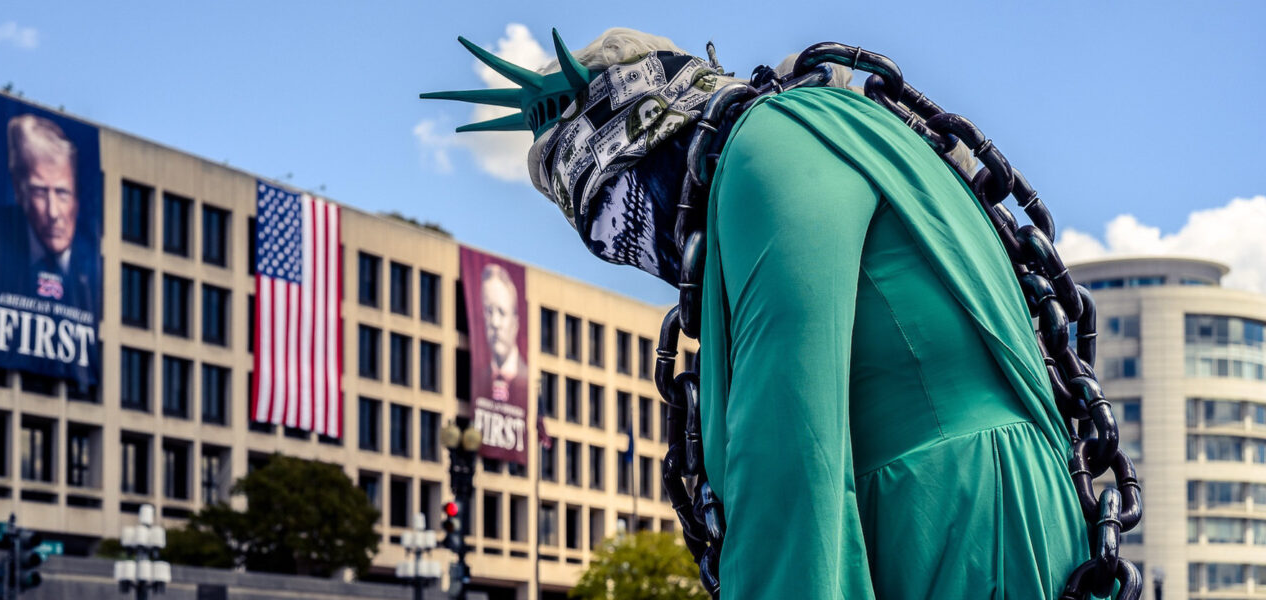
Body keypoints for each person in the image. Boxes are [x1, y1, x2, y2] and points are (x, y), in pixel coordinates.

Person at [425, 28, 1091, 599]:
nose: (634, 249)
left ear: (652, 128)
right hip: (971, 509)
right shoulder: (821, 131)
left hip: (946, 520)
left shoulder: (768, 151)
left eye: (622, 214)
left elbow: (790, 450)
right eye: (606, 243)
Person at [6, 113, 91, 303]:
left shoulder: (90, 269)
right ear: (20, 193)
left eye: (62, 193)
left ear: (77, 199)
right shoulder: (3, 253)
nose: (53, 213)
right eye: (40, 192)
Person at [481, 263, 524, 399]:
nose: (495, 323)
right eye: (489, 311)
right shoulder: (480, 376)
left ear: (515, 321)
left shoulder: (528, 378)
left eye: (501, 312)